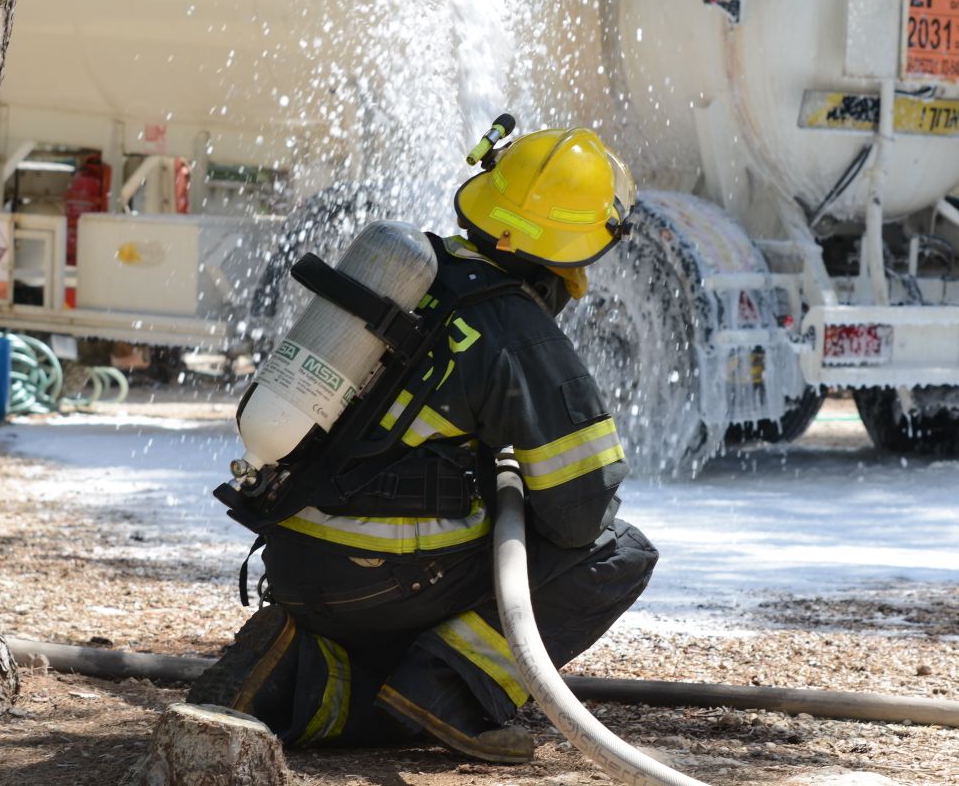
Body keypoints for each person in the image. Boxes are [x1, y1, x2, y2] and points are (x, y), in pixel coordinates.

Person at [189, 127, 658, 765]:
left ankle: (308, 667)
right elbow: (580, 516)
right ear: (576, 250)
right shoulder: (520, 331)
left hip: (293, 557)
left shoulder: (410, 278)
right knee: (618, 554)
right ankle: (447, 692)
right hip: (391, 581)